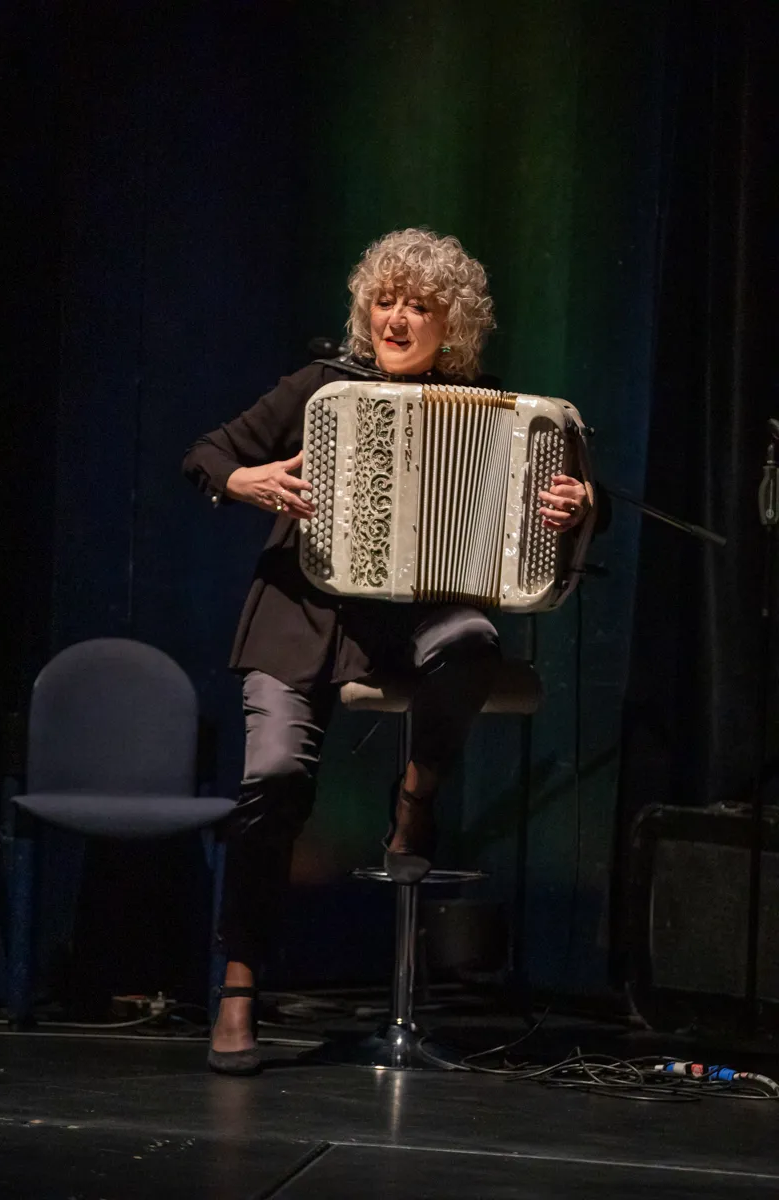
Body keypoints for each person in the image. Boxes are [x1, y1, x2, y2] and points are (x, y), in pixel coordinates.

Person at [183, 228, 591, 1075]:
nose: (397, 318)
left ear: (455, 325)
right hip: (302, 614)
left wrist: (576, 502)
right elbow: (208, 454)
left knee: (475, 641)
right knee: (275, 780)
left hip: (411, 620)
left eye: (420, 306)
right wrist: (244, 481)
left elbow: (558, 500)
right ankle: (239, 981)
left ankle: (417, 794)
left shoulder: (479, 404)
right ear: (365, 310)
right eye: (385, 300)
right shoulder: (321, 386)